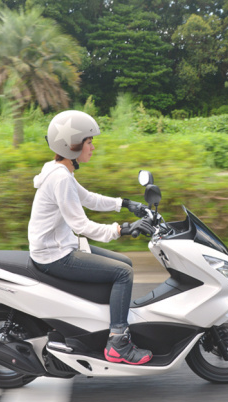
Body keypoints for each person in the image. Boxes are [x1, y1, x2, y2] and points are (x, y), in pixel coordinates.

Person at [28, 110, 154, 365]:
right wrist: (122, 229)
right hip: (55, 255)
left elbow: (88, 198)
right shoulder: (60, 178)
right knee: (122, 274)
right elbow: (80, 224)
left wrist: (126, 203)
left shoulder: (59, 170)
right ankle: (118, 342)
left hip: (61, 246)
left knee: (125, 264)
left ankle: (102, 326)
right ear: (72, 146)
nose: (93, 148)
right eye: (88, 142)